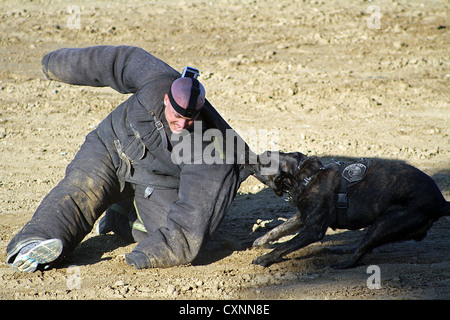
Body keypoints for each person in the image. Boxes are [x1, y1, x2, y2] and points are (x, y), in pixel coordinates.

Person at [7, 45, 252, 272]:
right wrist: (53, 63)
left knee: (174, 233)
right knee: (80, 192)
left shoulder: (208, 142)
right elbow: (112, 61)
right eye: (177, 115)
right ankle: (34, 242)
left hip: (155, 184)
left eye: (190, 119)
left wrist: (146, 256)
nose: (183, 123)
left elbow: (192, 221)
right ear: (167, 98)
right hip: (110, 148)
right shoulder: (155, 77)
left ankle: (120, 216)